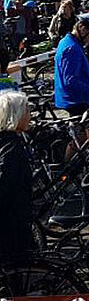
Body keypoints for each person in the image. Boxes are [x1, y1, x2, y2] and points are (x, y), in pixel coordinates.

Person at [0, 90, 34, 266]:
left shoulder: (6, 141)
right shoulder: (12, 149)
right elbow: (6, 184)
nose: (30, 115)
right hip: (11, 222)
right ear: (16, 115)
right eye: (26, 111)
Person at [54, 13, 89, 115]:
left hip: (77, 99)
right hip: (76, 101)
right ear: (82, 28)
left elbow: (87, 75)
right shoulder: (72, 48)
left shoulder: (70, 43)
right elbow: (71, 81)